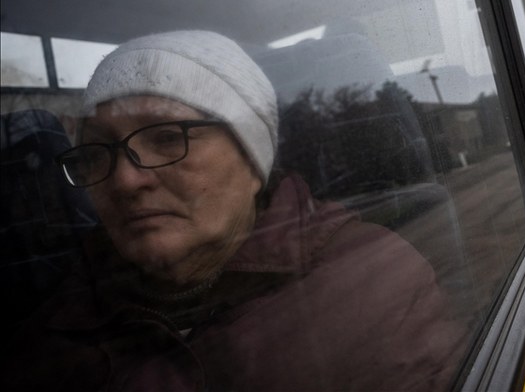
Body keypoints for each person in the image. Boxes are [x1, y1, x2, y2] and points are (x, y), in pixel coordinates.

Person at [2, 30, 464, 391]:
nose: (124, 180)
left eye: (167, 137)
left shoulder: (371, 284)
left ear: (252, 162)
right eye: (98, 151)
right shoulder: (57, 324)